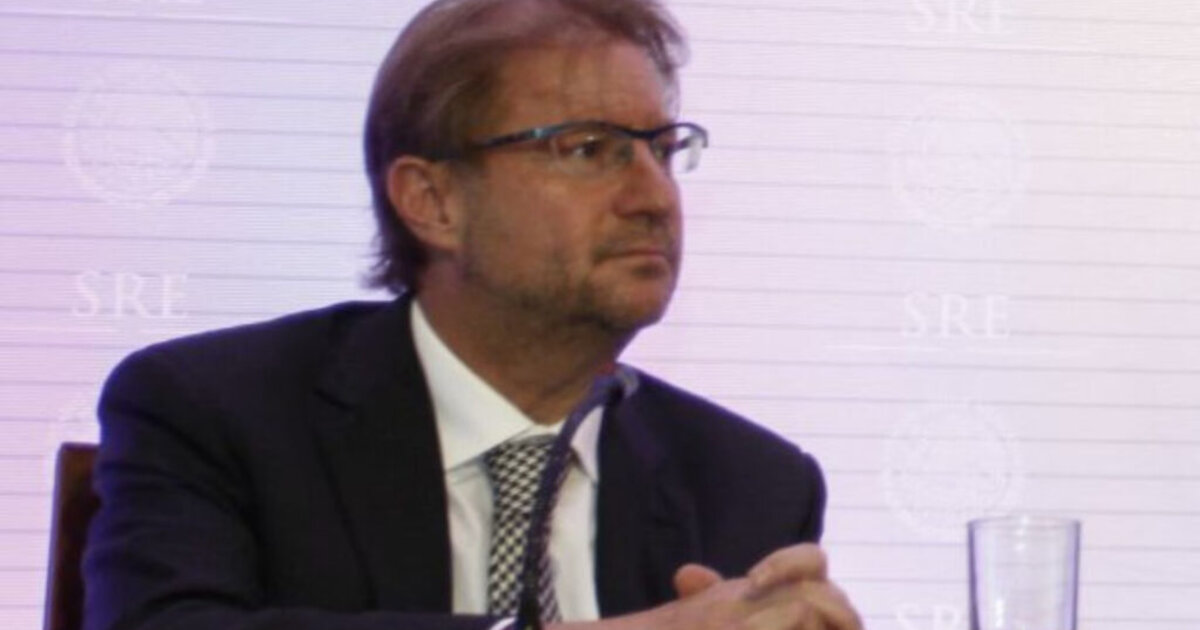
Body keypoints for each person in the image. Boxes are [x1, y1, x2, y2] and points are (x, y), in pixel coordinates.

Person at [84, 1, 863, 629]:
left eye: (661, 149)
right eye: (588, 149)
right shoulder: (217, 411)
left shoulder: (749, 482)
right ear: (432, 201)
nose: (654, 197)